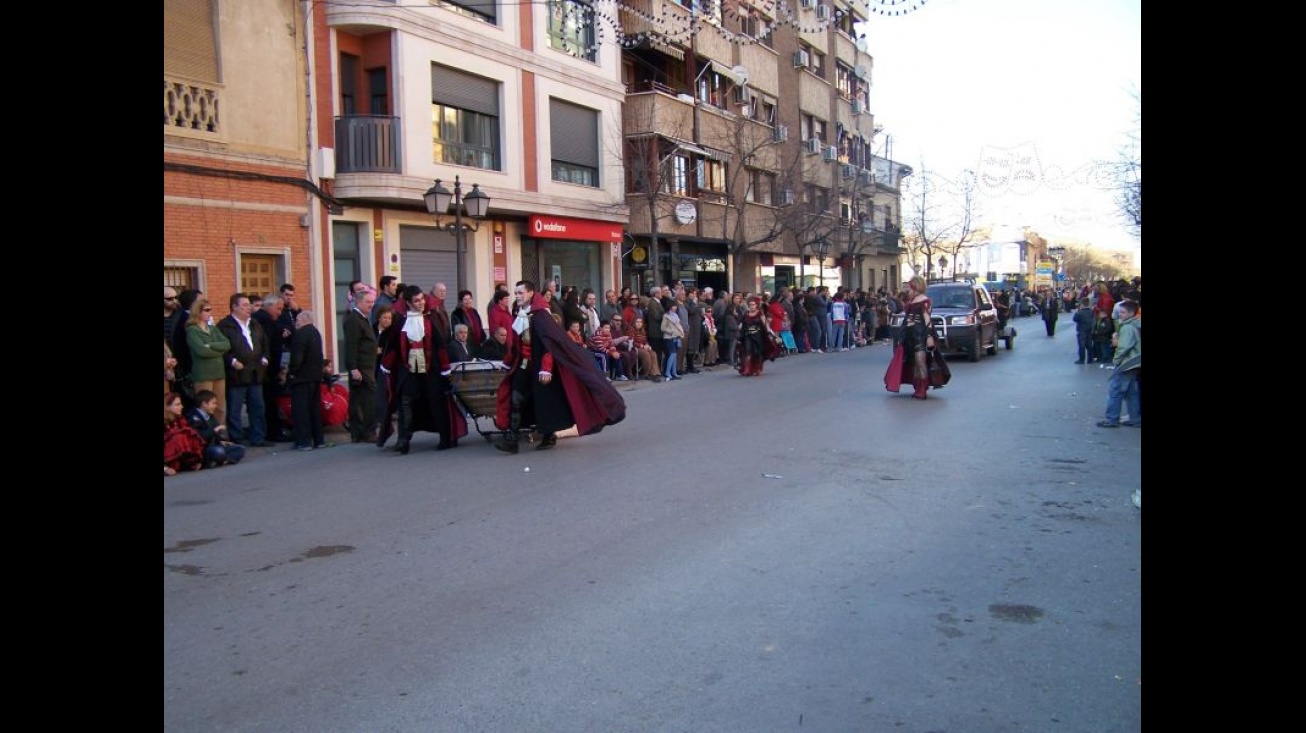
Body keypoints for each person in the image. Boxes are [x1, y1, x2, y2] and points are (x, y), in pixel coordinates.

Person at [493, 280, 626, 454]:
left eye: (521, 293)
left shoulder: (541, 315)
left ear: (531, 293)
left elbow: (551, 344)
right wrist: (507, 362)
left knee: (545, 403)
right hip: (524, 365)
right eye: (516, 293)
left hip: (540, 366)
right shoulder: (520, 312)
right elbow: (518, 343)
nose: (517, 296)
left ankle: (549, 435)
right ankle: (512, 439)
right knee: (516, 398)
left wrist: (546, 368)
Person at [391, 285, 468, 454]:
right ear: (408, 303)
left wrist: (445, 368)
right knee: (405, 400)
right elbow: (393, 345)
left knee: (436, 401)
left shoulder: (430, 318)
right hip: (409, 369)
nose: (421, 303)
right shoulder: (400, 320)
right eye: (416, 301)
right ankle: (404, 439)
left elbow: (440, 344)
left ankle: (445, 437)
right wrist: (386, 366)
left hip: (431, 368)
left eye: (422, 299)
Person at [217, 293, 271, 447]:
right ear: (234, 307)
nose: (248, 308)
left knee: (257, 407)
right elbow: (221, 349)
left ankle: (258, 437)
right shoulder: (225, 326)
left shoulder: (254, 323)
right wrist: (232, 361)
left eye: (249, 305)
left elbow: (264, 343)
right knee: (234, 409)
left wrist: (265, 357)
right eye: (244, 305)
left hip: (256, 372)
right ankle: (236, 438)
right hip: (236, 374)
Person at [885, 275, 946, 399]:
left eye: (910, 288)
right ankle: (918, 386)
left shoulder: (925, 301)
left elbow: (927, 320)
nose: (908, 290)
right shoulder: (912, 301)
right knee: (913, 362)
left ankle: (922, 388)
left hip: (920, 335)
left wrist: (929, 337)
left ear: (916, 287)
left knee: (920, 362)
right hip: (909, 335)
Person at [285, 310, 329, 451]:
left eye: (297, 319)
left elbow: (297, 357)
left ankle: (303, 441)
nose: (296, 322)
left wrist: (292, 372)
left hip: (302, 378)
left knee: (301, 410)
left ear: (304, 320)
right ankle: (318, 439)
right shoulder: (315, 333)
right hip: (315, 376)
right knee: (314, 409)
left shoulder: (301, 334)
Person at [184, 298, 232, 426]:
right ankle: (206, 435)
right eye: (207, 310)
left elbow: (226, 344)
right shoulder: (192, 330)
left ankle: (221, 435)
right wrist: (217, 349)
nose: (210, 312)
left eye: (210, 310)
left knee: (220, 407)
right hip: (203, 374)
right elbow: (201, 351)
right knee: (204, 407)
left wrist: (209, 345)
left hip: (219, 373)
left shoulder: (213, 329)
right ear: (197, 312)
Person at [252, 294, 291, 442]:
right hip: (267, 370)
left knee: (269, 401)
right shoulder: (263, 321)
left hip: (269, 368)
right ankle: (271, 432)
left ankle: (272, 431)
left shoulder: (268, 320)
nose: (280, 312)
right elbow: (269, 344)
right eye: (278, 309)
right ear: (269, 306)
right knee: (268, 402)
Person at [1098, 300, 1141, 428]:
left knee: (1115, 391)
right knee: (1131, 392)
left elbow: (1124, 347)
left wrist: (1116, 359)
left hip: (1126, 363)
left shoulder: (1127, 327)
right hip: (1134, 362)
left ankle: (1112, 419)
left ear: (1131, 313)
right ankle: (1135, 418)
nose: (1120, 314)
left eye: (1123, 312)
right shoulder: (1136, 325)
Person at [343, 288, 378, 443]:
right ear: (358, 302)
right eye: (368, 302)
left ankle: (360, 433)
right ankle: (366, 432)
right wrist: (353, 368)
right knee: (366, 401)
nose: (371, 305)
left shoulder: (363, 318)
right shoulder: (354, 320)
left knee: (360, 400)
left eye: (372, 302)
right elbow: (351, 345)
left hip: (367, 366)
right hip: (362, 368)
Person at [186, 389, 248, 468]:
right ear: (204, 404)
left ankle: (220, 461)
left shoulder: (210, 415)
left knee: (240, 449)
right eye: (213, 403)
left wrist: (222, 441)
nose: (215, 406)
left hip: (214, 444)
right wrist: (215, 430)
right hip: (203, 448)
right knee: (218, 451)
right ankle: (214, 461)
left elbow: (218, 434)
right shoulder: (193, 417)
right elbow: (200, 436)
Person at [164, 392, 205, 476]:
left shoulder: (180, 420)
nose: (181, 407)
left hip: (180, 460)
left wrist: (195, 461)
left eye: (181, 404)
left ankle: (191, 463)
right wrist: (165, 469)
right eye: (177, 405)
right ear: (167, 407)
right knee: (179, 437)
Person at [737, 296, 777, 376]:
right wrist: (739, 335)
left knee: (757, 352)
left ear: (756, 305)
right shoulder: (746, 314)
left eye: (753, 305)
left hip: (758, 336)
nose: (751, 306)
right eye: (750, 305)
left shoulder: (760, 314)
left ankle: (757, 368)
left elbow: (765, 325)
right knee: (748, 351)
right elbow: (742, 325)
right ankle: (747, 369)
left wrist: (769, 334)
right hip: (748, 335)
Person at [627, 315, 662, 382]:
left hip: (643, 347)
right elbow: (631, 341)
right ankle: (647, 373)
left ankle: (654, 374)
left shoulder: (642, 331)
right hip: (635, 348)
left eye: (640, 322)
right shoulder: (631, 330)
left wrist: (647, 345)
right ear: (634, 322)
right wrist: (641, 346)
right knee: (646, 354)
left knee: (653, 353)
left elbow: (645, 341)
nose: (639, 323)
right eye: (637, 322)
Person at [660, 300, 685, 381]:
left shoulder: (676, 315)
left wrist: (681, 333)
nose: (675, 307)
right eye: (674, 306)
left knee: (674, 355)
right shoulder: (666, 316)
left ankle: (674, 373)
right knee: (672, 354)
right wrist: (671, 332)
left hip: (677, 337)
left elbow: (679, 325)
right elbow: (663, 328)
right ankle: (668, 372)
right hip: (669, 337)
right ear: (670, 307)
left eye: (676, 306)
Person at [486, 289, 516, 354]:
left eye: (507, 298)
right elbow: (495, 329)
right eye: (505, 298)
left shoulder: (506, 310)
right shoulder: (495, 312)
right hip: (502, 344)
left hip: (510, 341)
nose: (508, 300)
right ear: (500, 300)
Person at [1072, 297, 1095, 364]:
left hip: (1081, 330)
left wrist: (1077, 312)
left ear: (1082, 304)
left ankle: (1082, 359)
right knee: (1089, 345)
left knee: (1081, 346)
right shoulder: (1091, 311)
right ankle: (1090, 359)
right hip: (1089, 330)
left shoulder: (1080, 312)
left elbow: (1075, 319)